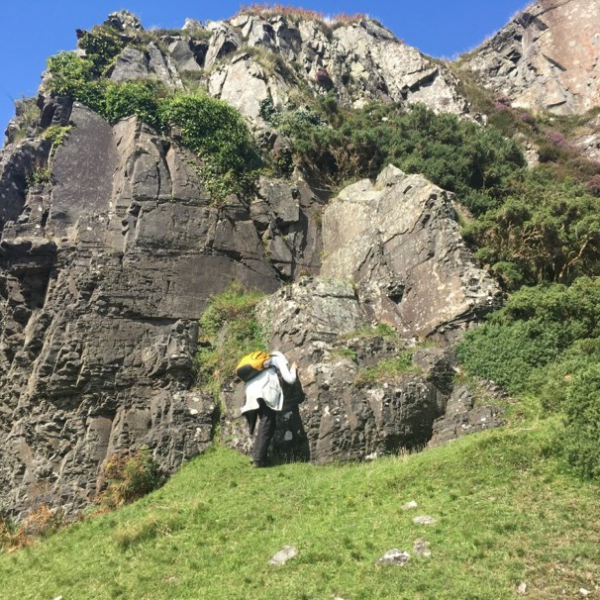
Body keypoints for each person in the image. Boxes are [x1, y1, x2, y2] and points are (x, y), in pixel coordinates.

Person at [241, 351, 298, 468]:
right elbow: (290, 379)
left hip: (251, 390)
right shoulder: (278, 358)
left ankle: (257, 455)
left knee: (265, 424)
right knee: (267, 423)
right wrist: (293, 369)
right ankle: (258, 459)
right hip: (265, 391)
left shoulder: (262, 364)